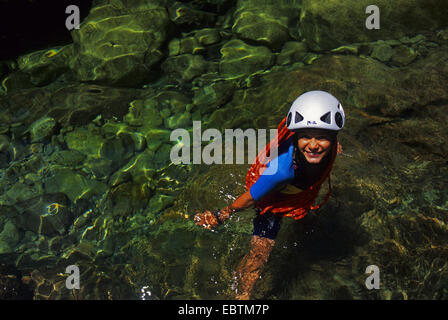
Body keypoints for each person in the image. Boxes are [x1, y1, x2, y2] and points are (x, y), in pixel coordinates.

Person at [194, 90, 345, 300]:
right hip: (272, 201)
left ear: (334, 136)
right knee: (261, 252)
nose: (313, 145)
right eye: (305, 137)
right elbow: (249, 198)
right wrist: (222, 214)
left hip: (296, 189)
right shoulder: (282, 170)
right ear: (297, 136)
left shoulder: (331, 146)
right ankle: (242, 297)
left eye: (322, 137)